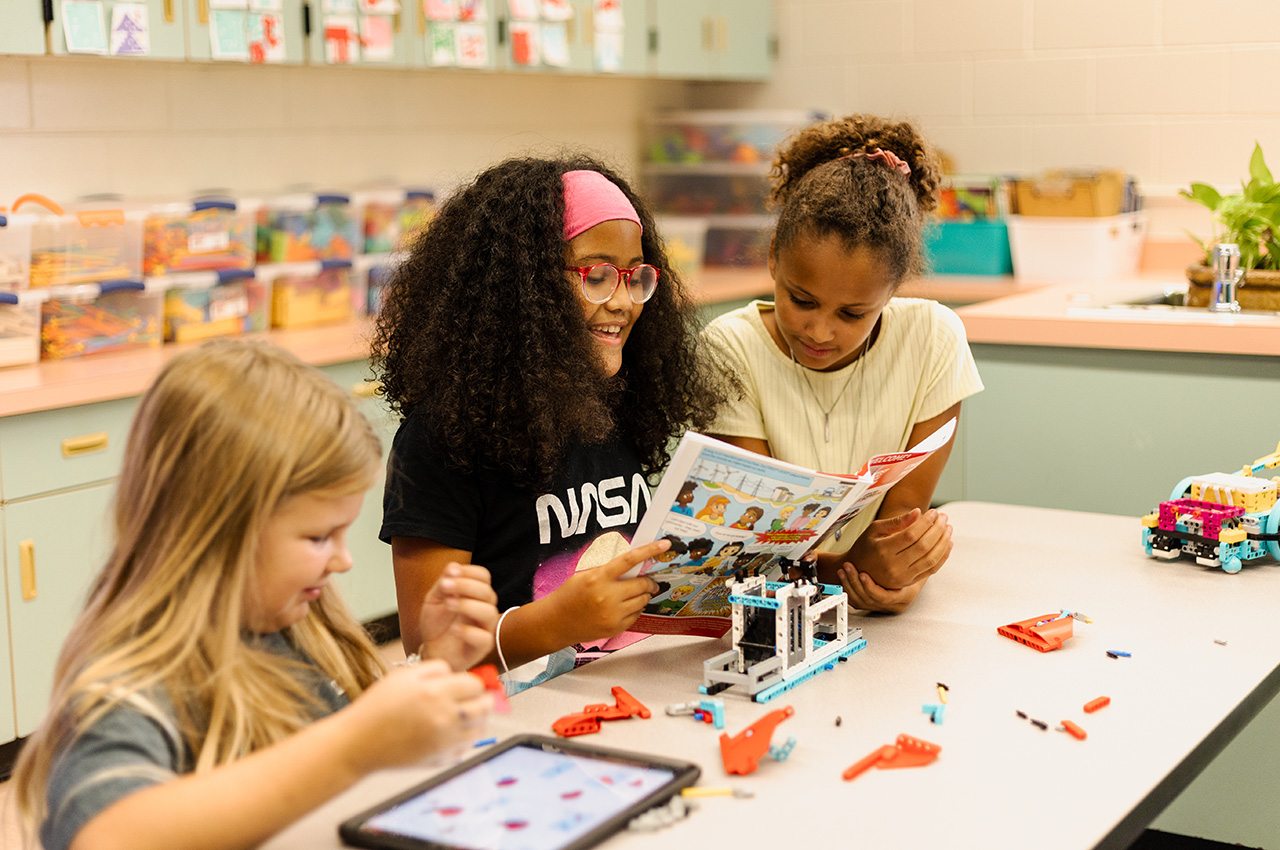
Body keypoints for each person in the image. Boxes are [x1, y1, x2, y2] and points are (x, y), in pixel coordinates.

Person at [11, 339, 499, 850]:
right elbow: (102, 836)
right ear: (214, 531)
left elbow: (332, 760)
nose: (343, 560)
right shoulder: (130, 684)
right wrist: (354, 747)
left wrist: (434, 666)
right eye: (317, 538)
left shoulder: (299, 626)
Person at [375, 154, 729, 688]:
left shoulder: (618, 404)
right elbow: (429, 652)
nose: (623, 303)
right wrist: (556, 623)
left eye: (636, 277)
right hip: (517, 711)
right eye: (598, 276)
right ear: (525, 287)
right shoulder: (440, 440)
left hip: (631, 686)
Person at [701, 114, 984, 613]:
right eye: (801, 299)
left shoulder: (933, 339)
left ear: (892, 291)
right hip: (759, 615)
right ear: (773, 258)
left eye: (853, 313)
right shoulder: (730, 349)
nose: (819, 331)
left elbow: (896, 532)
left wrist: (902, 573)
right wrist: (859, 571)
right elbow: (761, 551)